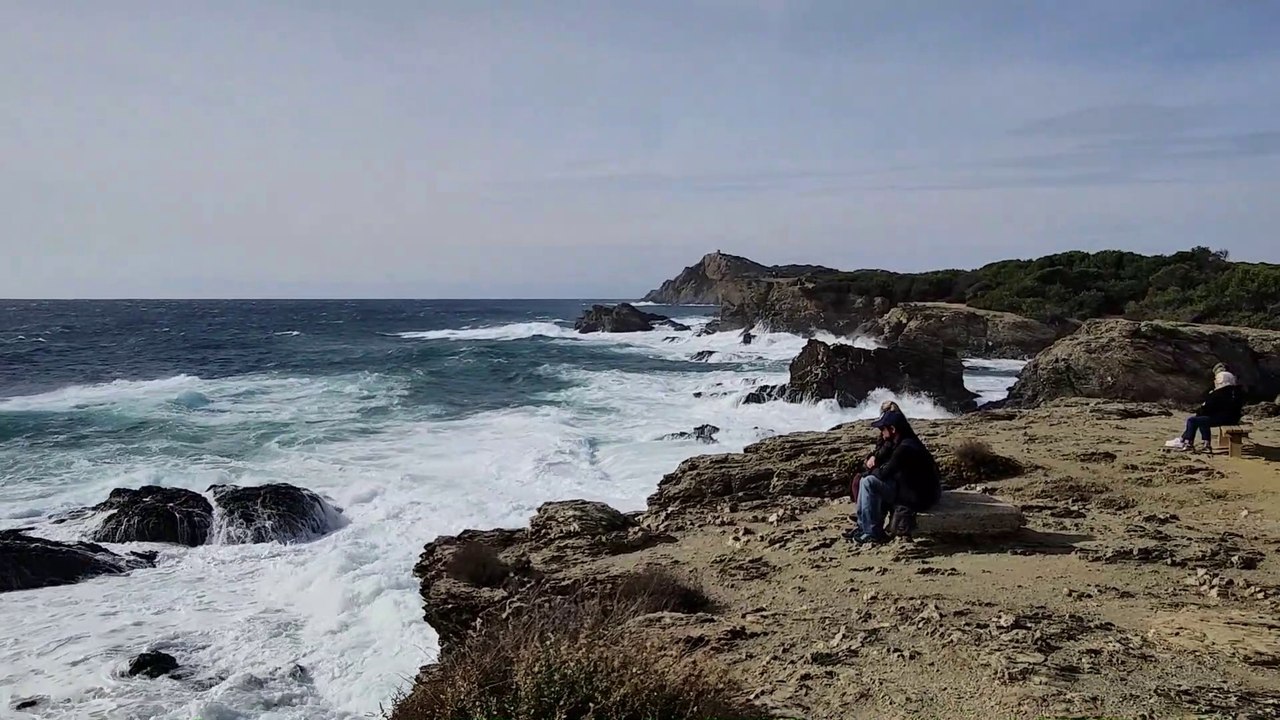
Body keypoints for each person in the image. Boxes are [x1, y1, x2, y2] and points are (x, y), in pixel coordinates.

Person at [847, 408, 941, 544]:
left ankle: (871, 532)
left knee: (869, 482)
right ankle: (863, 527)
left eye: (882, 429)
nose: (881, 433)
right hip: (907, 488)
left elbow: (884, 473)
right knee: (865, 480)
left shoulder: (905, 448)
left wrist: (873, 468)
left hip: (917, 496)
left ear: (892, 429)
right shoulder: (898, 441)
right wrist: (874, 462)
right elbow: (881, 460)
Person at [1164, 363, 1246, 452]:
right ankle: (1191, 441)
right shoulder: (1237, 393)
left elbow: (1206, 409)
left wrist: (1202, 407)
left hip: (1222, 419)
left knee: (1194, 420)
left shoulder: (1217, 393)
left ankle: (1189, 443)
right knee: (1202, 420)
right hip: (1233, 419)